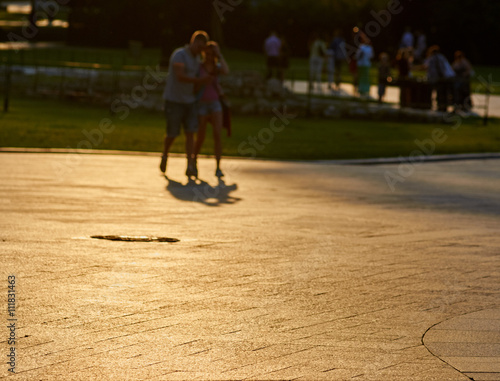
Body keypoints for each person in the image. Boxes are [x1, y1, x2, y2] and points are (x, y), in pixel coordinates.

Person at [159, 31, 212, 177]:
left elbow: (218, 67)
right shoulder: (180, 55)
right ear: (193, 42)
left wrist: (217, 55)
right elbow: (180, 76)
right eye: (198, 46)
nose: (199, 50)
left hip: (189, 101)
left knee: (190, 133)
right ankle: (165, 155)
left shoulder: (197, 60)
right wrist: (200, 81)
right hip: (174, 100)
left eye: (202, 48)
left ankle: (190, 165)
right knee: (172, 133)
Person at [193, 41, 230, 178]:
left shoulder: (217, 67)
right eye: (207, 54)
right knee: (200, 136)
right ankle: (194, 161)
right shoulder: (199, 67)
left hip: (215, 103)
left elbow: (226, 70)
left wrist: (219, 54)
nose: (209, 56)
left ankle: (218, 166)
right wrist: (202, 80)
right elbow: (194, 86)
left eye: (211, 54)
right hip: (202, 103)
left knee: (217, 134)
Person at [424, 45, 455, 112]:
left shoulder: (434, 58)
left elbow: (439, 69)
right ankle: (443, 107)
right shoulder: (441, 57)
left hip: (441, 78)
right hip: (447, 77)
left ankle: (441, 107)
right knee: (444, 93)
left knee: (440, 93)